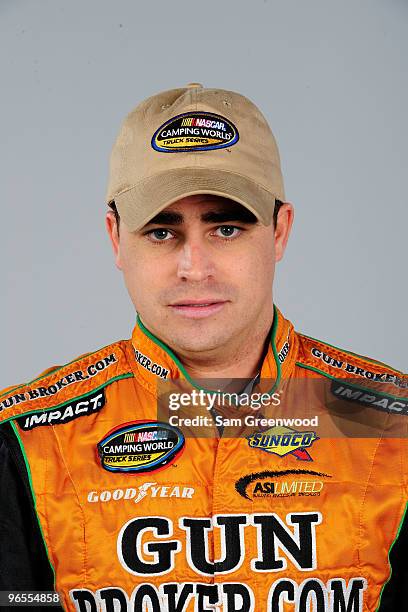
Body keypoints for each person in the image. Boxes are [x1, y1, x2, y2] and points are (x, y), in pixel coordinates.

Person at [0, 83, 406, 612]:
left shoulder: (390, 425)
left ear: (280, 231)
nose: (194, 267)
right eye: (162, 233)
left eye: (227, 228)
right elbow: (16, 601)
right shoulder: (29, 442)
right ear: (115, 237)